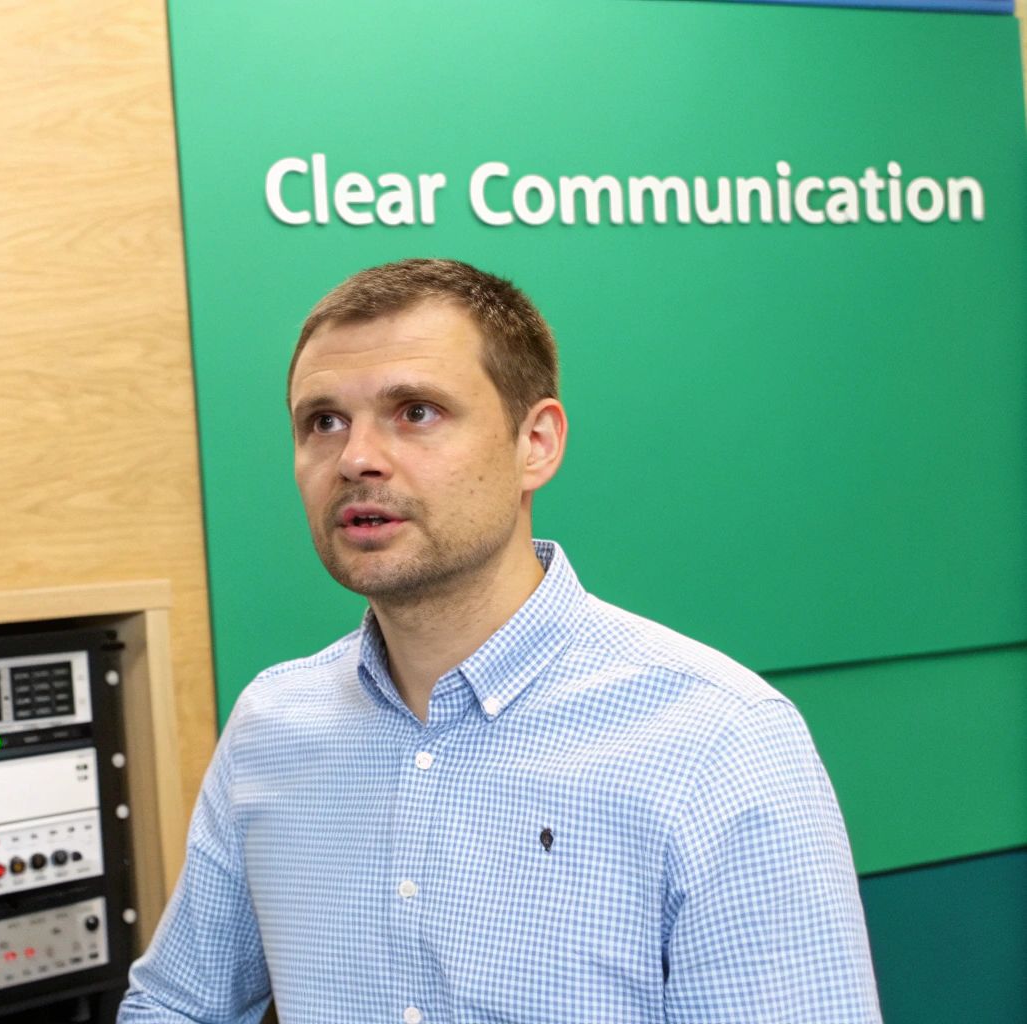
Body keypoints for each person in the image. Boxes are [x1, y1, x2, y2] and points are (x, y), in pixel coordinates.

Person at [118, 259, 881, 1024]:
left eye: (415, 411)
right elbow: (176, 1005)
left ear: (536, 444)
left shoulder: (720, 741)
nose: (356, 459)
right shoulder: (272, 727)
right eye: (323, 421)